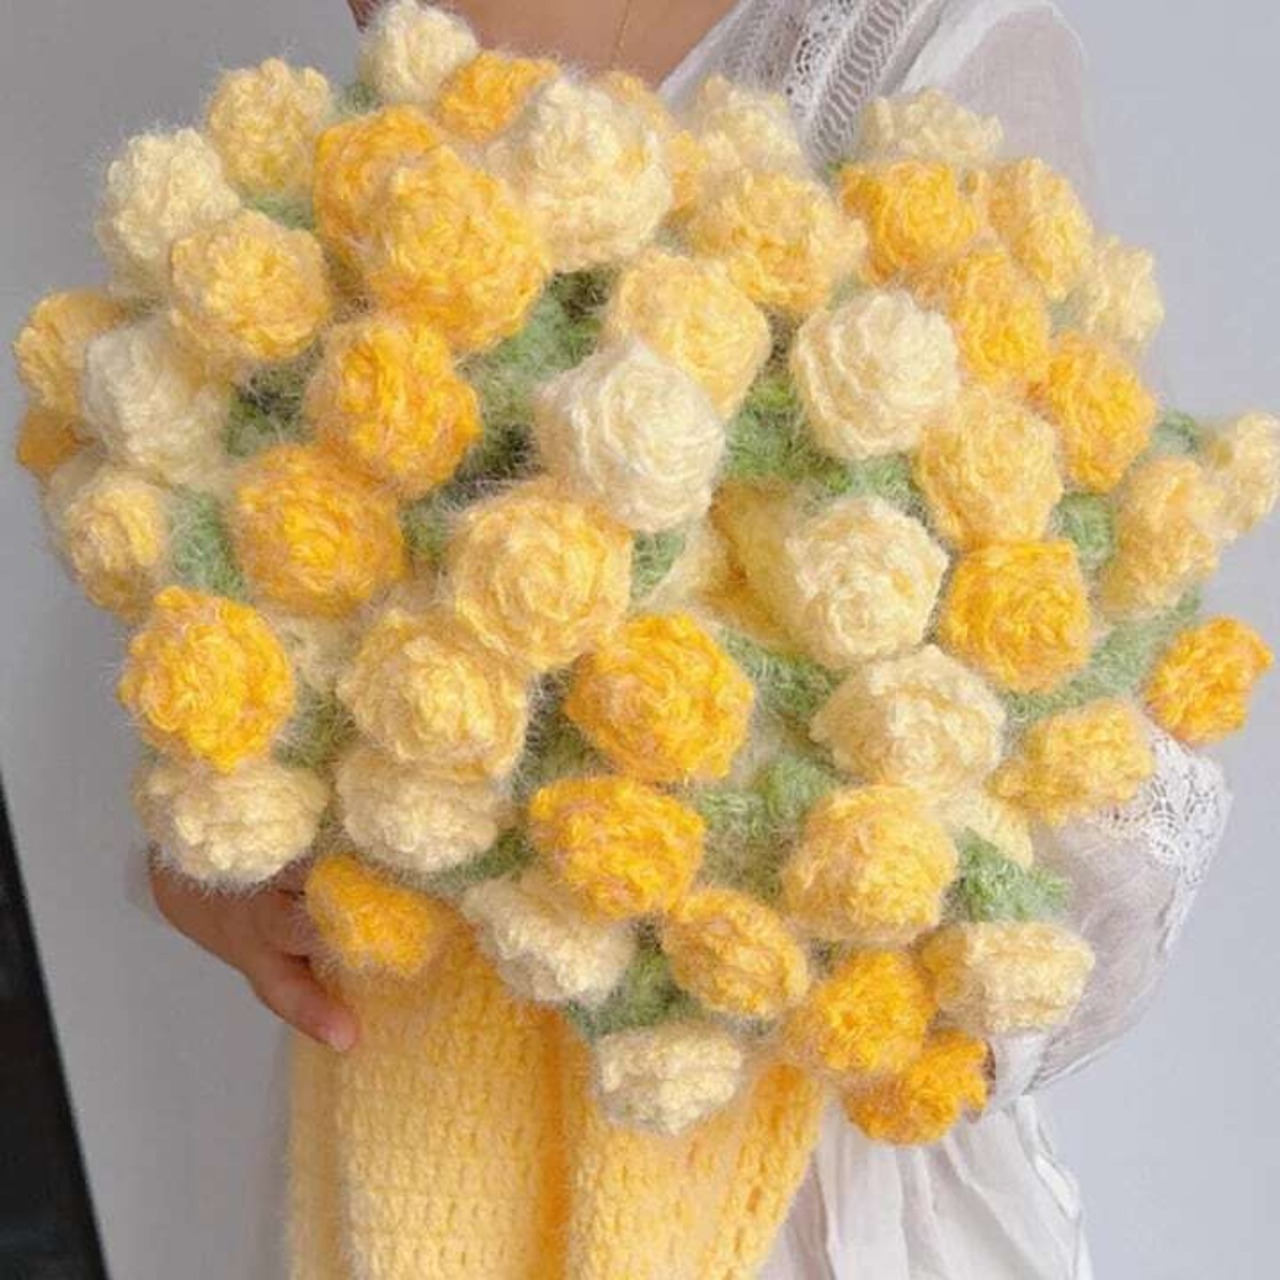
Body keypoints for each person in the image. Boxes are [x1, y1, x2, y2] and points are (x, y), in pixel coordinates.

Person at [149, 3, 1234, 1277]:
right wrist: (216, 852)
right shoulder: (376, 101)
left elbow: (1089, 766)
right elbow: (280, 571)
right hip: (421, 1134)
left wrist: (739, 874)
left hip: (787, 1179)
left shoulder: (921, 45)